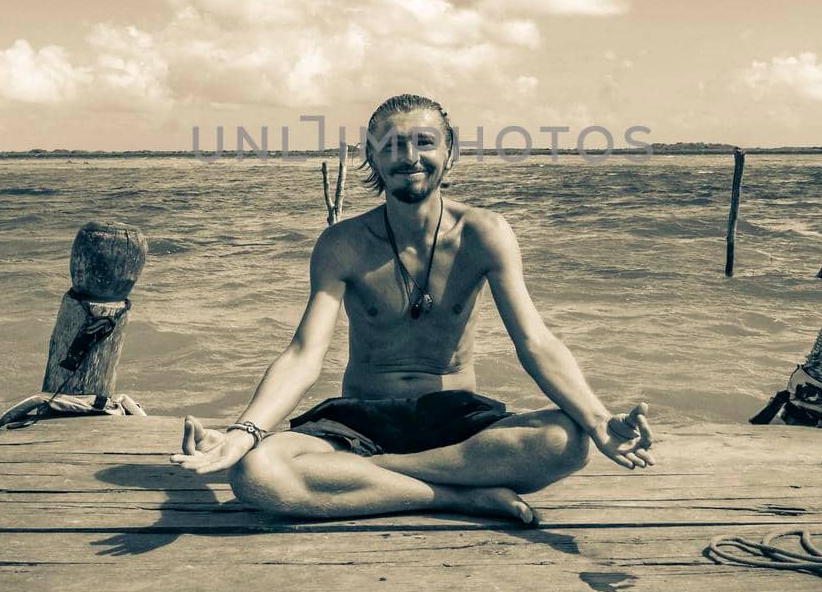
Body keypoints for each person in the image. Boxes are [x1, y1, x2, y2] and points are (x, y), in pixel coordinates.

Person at [171, 94, 654, 525]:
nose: (409, 157)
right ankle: (456, 497)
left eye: (424, 142)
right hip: (360, 420)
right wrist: (244, 433)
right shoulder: (343, 244)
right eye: (391, 146)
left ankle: (366, 480)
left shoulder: (484, 233)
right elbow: (303, 355)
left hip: (456, 422)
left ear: (451, 152)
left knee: (566, 442)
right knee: (255, 474)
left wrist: (597, 420)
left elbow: (536, 341)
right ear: (372, 159)